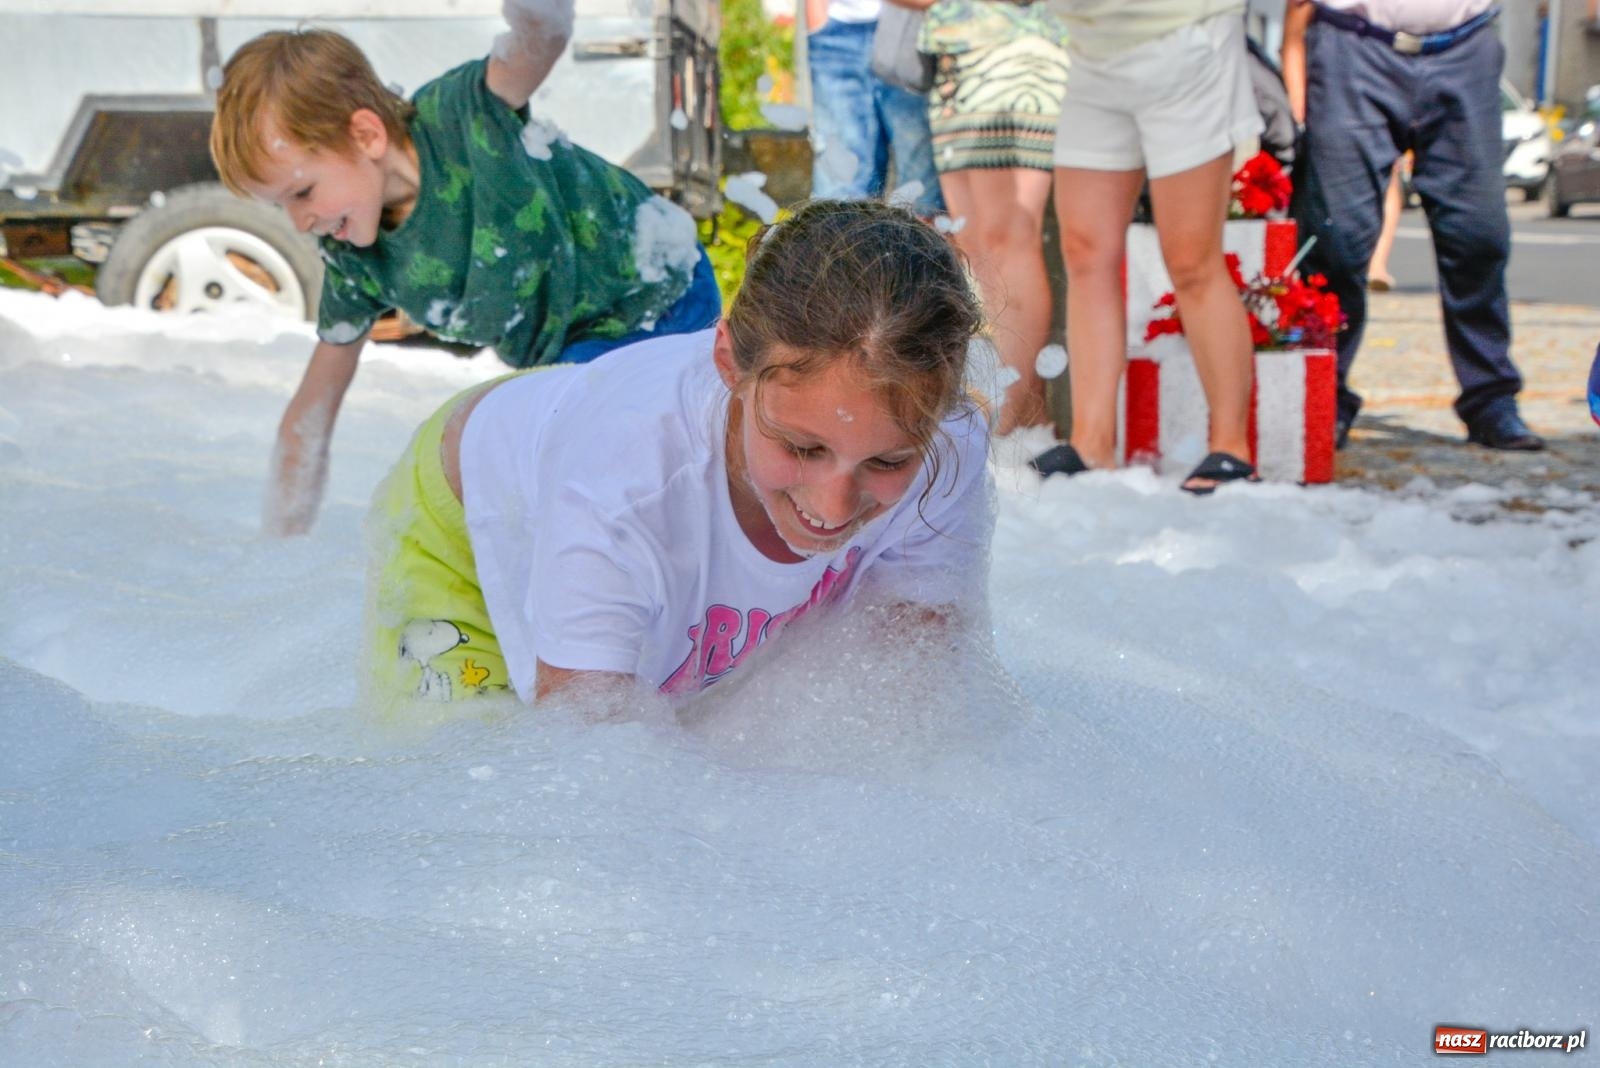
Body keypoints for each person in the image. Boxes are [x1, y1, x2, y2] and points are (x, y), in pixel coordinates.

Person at [364, 199, 992, 707]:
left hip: (584, 427)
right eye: (803, 447)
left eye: (886, 463)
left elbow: (917, 702)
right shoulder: (624, 484)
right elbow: (578, 768)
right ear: (729, 364)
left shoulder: (948, 447)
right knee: (466, 788)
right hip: (468, 527)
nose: (833, 506)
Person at [210, 6, 721, 537]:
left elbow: (541, 38)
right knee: (525, 461)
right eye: (281, 208)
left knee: (598, 473)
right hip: (573, 353)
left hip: (661, 291)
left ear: (365, 135)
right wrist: (277, 550)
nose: (299, 222)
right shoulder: (354, 260)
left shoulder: (463, 114)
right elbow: (312, 411)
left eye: (303, 192)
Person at [1284, 0, 1542, 451]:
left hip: (1465, 45)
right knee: (1335, 238)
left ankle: (1490, 399)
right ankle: (1322, 395)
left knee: (1479, 235)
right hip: (1353, 46)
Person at [1030, 2, 1265, 494]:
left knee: (1191, 259)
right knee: (1084, 251)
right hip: (1093, 48)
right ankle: (1091, 444)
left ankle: (1231, 447)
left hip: (1184, 39)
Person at [917, 0, 1071, 434]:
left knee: (1009, 239)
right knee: (977, 245)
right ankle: (1022, 412)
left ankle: (1015, 418)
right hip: (955, 61)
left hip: (1013, 56)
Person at [806, 0, 946, 216]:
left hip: (912, 29)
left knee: (921, 191)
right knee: (837, 194)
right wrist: (817, 19)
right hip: (837, 31)